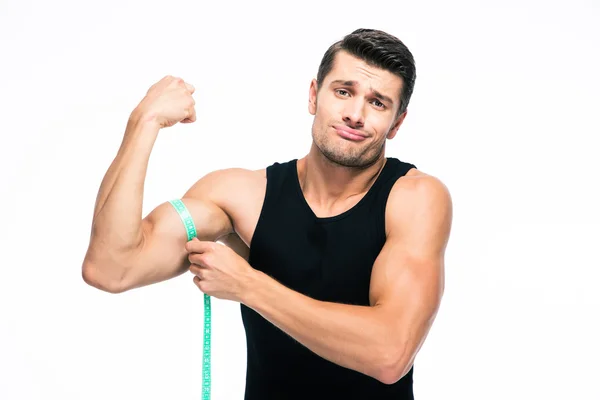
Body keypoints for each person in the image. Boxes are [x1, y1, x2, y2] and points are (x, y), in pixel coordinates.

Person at [82, 28, 452, 400]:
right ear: (313, 95)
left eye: (377, 103)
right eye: (344, 92)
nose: (355, 114)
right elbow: (111, 268)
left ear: (397, 123)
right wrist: (142, 124)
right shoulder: (242, 197)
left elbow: (390, 354)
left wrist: (247, 285)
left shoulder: (414, 198)